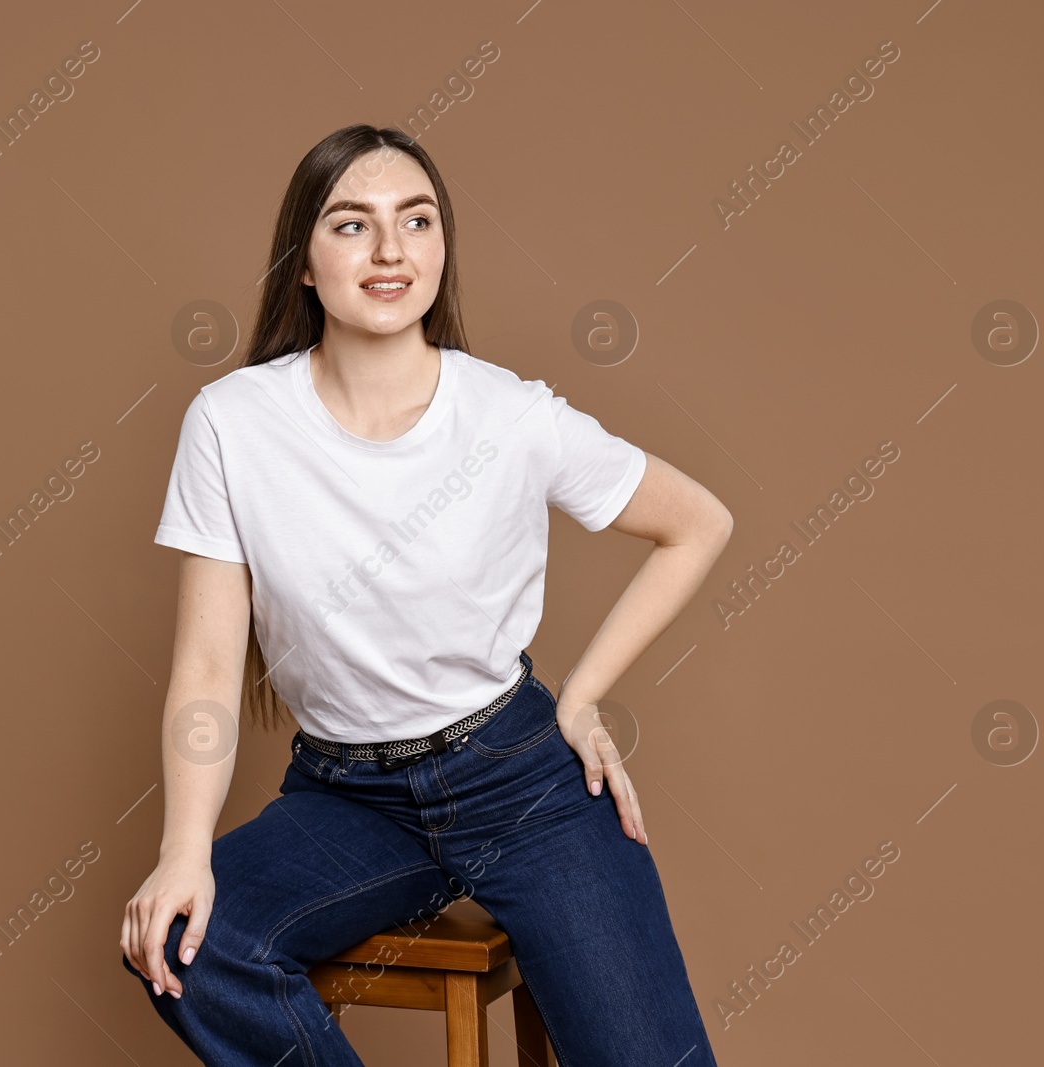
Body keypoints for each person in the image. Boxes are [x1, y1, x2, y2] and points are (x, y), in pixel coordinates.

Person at [119, 123, 734, 1066]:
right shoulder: (233, 424)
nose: (391, 249)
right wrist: (184, 848)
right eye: (352, 225)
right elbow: (205, 669)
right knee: (185, 944)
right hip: (347, 795)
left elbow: (698, 521)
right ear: (303, 264)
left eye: (416, 220)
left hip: (518, 775)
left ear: (443, 249)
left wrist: (581, 695)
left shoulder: (510, 415)